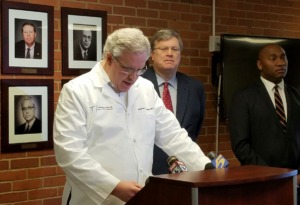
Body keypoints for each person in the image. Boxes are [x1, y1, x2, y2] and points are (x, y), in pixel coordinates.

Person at [53, 27, 211, 205]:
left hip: (140, 196)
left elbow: (173, 136)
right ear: (109, 58)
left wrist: (206, 167)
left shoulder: (145, 89)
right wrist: (113, 186)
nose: (133, 77)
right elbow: (69, 153)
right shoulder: (77, 91)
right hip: (93, 199)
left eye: (140, 69)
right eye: (127, 69)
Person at [228, 44, 300, 202]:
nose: (281, 63)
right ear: (260, 65)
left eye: (283, 57)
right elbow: (241, 145)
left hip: (295, 184)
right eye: (273, 58)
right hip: (260, 185)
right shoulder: (244, 97)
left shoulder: (296, 95)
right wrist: (272, 174)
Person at [142, 29, 206, 175]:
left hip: (186, 169)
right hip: (148, 171)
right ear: (152, 54)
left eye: (175, 49)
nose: (170, 53)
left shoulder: (195, 87)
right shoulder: (137, 85)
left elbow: (195, 128)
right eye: (164, 49)